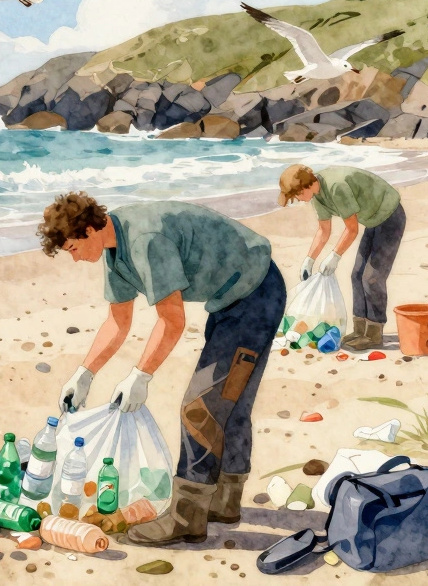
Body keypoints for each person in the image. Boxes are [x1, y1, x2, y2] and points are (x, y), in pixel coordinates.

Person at [43, 193, 285, 545]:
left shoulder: (144, 240)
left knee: (200, 408)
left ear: (91, 229)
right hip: (230, 297)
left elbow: (172, 321)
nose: (75, 259)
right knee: (228, 404)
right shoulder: (114, 249)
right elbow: (118, 321)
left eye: (73, 249)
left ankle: (187, 518)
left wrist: (141, 375)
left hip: (255, 293)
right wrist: (84, 374)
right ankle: (225, 502)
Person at [278, 164, 404, 350]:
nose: (298, 199)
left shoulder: (336, 187)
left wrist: (335, 256)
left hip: (390, 216)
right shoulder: (317, 195)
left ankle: (374, 334)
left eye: (297, 195)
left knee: (372, 278)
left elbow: (352, 229)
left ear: (305, 186)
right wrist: (309, 259)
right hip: (372, 220)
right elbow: (324, 230)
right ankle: (361, 330)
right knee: (356, 275)